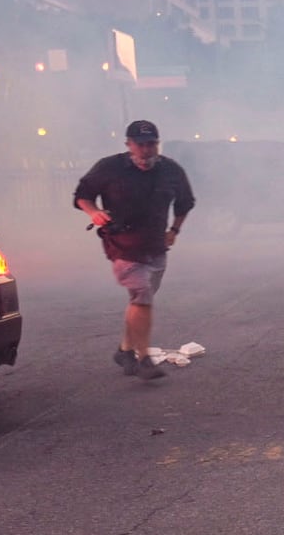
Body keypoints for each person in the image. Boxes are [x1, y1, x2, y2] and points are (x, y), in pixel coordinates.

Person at [74, 120, 196, 381]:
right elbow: (82, 195)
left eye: (151, 144)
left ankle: (125, 350)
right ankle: (144, 359)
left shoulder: (170, 171)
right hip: (122, 244)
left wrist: (173, 231)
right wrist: (94, 212)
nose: (145, 151)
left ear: (157, 144)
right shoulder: (110, 167)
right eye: (140, 145)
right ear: (129, 145)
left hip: (156, 245)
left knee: (143, 300)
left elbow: (186, 202)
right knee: (141, 295)